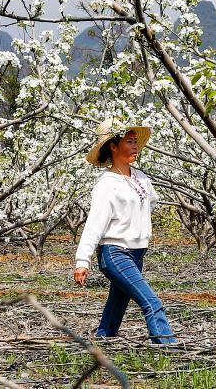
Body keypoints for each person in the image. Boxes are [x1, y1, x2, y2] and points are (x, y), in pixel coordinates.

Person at [73, 119, 177, 344]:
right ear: (113, 145)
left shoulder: (141, 178)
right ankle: (169, 349)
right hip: (115, 252)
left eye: (135, 142)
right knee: (152, 302)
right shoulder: (106, 185)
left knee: (117, 304)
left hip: (137, 252)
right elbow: (94, 223)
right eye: (129, 142)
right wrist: (83, 260)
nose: (135, 146)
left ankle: (102, 343)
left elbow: (151, 202)